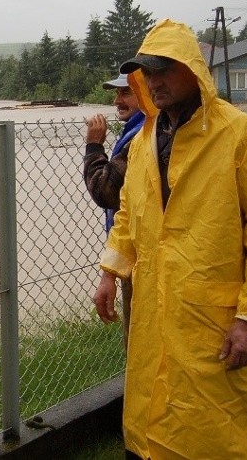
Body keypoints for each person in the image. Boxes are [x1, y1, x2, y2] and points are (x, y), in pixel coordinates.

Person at [97, 19, 247, 460]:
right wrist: (111, 271)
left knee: (215, 430)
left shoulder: (242, 136)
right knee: (151, 413)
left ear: (194, 70)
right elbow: (130, 210)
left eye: (164, 69)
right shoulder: (146, 137)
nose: (154, 81)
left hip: (216, 319)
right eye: (147, 72)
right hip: (155, 307)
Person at [84, 73, 144, 349]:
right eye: (116, 94)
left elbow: (105, 191)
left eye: (126, 93)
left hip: (139, 254)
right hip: (132, 249)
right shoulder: (139, 129)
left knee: (139, 340)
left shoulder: (142, 137)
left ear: (145, 95)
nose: (117, 101)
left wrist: (94, 146)